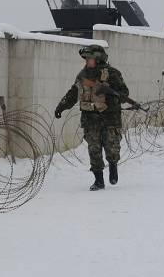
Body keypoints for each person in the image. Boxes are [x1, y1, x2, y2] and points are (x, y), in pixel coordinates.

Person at [55, 44, 130, 191]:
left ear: (98, 58)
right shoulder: (83, 75)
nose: (87, 61)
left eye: (90, 58)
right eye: (86, 58)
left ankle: (113, 166)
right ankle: (98, 180)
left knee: (112, 148)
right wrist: (61, 107)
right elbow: (73, 93)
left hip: (110, 119)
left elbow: (124, 93)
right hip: (90, 120)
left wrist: (110, 94)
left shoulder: (112, 73)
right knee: (94, 150)